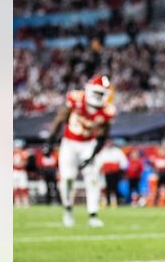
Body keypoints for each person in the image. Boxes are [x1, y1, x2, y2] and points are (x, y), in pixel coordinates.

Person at [43, 75, 115, 227]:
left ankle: (93, 214)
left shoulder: (107, 111)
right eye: (97, 92)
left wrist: (93, 155)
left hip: (89, 144)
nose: (98, 97)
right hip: (69, 143)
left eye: (102, 94)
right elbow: (60, 119)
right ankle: (68, 209)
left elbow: (103, 136)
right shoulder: (76, 99)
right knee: (68, 178)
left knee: (93, 179)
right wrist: (49, 142)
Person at [96, 139, 128, 208]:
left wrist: (120, 169)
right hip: (105, 172)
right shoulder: (102, 151)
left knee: (115, 187)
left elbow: (123, 162)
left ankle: (116, 202)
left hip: (115, 172)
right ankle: (107, 202)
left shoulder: (117, 151)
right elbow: (99, 162)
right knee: (106, 187)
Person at [13, 140, 31, 208]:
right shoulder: (13, 153)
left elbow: (25, 163)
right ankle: (17, 202)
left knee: (23, 187)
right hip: (15, 171)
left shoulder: (23, 153)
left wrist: (21, 163)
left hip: (22, 171)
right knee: (16, 188)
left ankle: (25, 202)